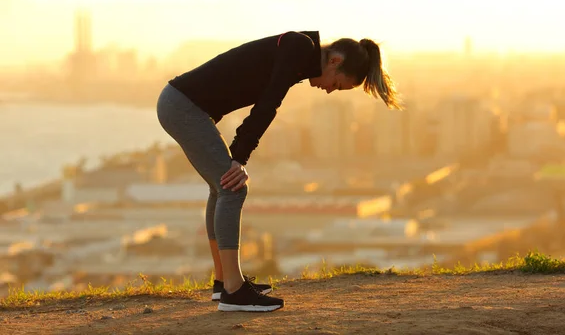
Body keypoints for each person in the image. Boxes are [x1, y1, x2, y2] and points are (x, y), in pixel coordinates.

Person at [156, 31, 401, 312]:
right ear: (334, 61)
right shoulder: (298, 47)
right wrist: (238, 157)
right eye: (338, 84)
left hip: (181, 105)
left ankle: (224, 282)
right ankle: (233, 292)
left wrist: (236, 156)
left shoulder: (299, 52)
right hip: (183, 107)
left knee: (221, 186)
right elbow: (268, 103)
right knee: (233, 187)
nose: (331, 90)